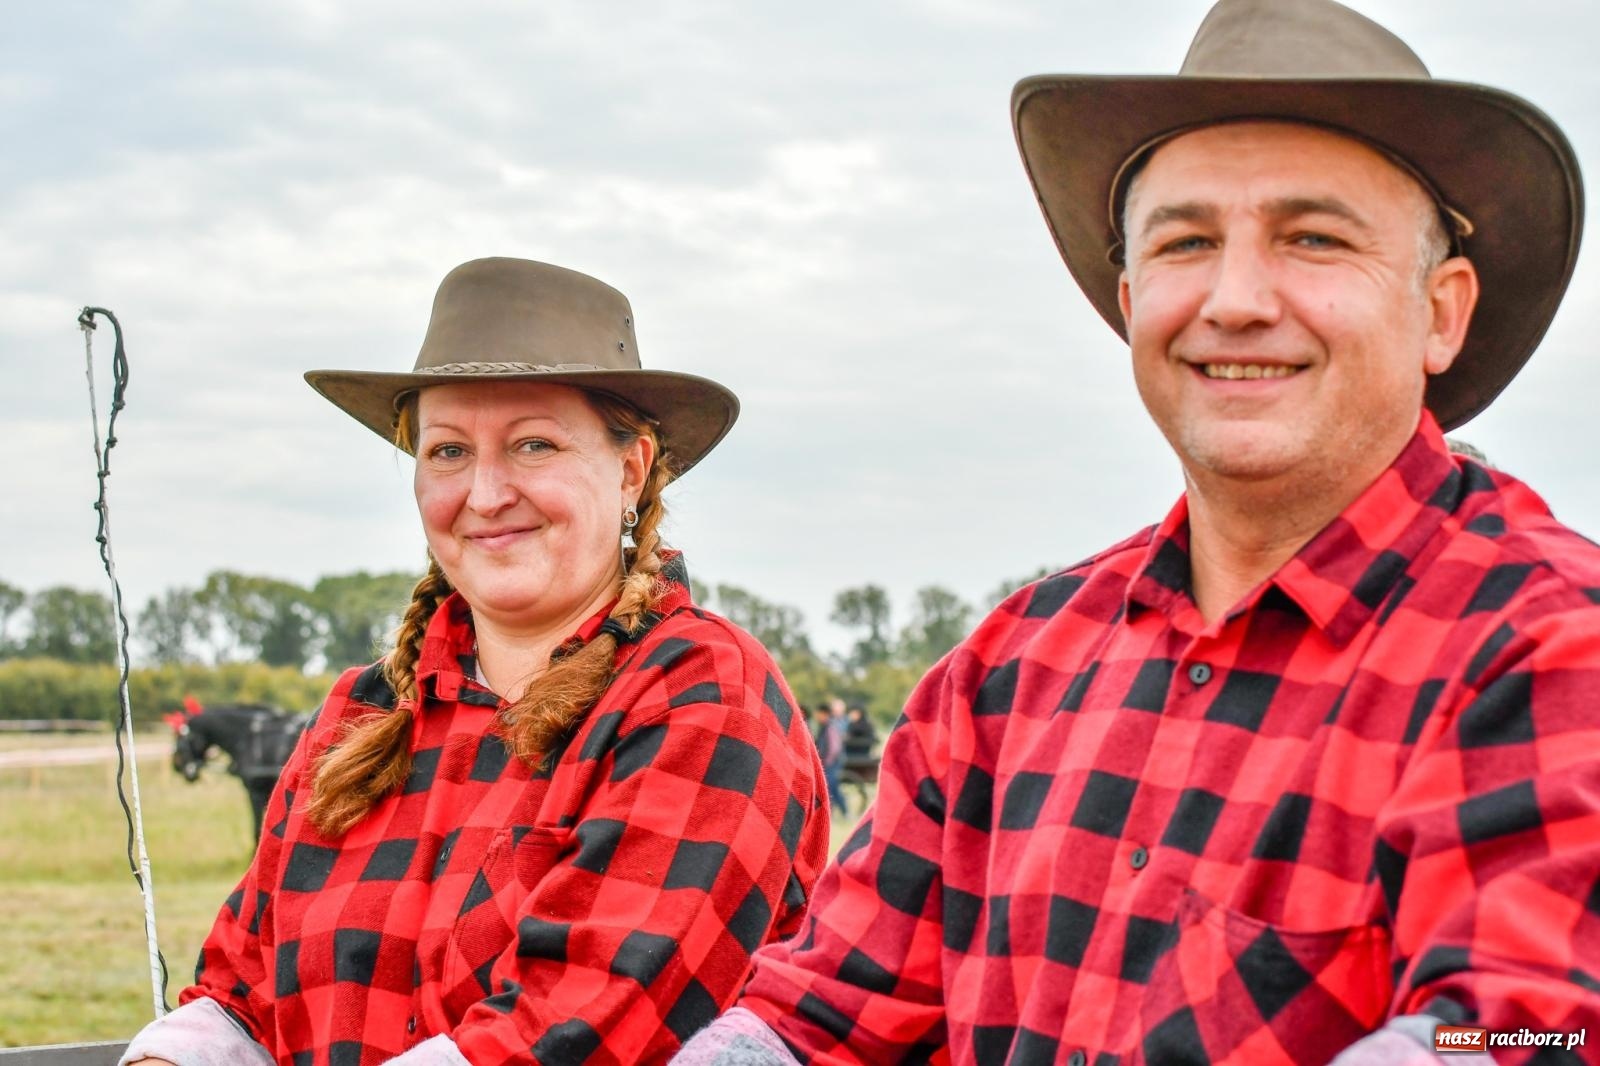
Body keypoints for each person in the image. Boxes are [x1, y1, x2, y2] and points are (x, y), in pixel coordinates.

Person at [673, 1, 1599, 1063]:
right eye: (1186, 242)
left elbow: (1529, 1027)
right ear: (1129, 297)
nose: (1236, 298)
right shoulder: (1006, 669)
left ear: (1440, 311)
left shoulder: (1549, 645)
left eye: (1312, 238)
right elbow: (817, 1018)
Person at [122, 258, 829, 1065]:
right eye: (449, 452)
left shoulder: (699, 691)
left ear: (630, 470)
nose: (486, 493)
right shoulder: (362, 712)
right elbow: (241, 995)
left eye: (533, 444)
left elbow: (580, 1034)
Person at [814, 699, 850, 818]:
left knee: (832, 786)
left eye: (819, 714)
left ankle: (844, 811)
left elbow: (834, 748)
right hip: (829, 762)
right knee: (831, 787)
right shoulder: (825, 726)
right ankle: (833, 812)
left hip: (832, 762)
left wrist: (826, 761)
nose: (817, 716)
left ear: (825, 714)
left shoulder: (830, 727)